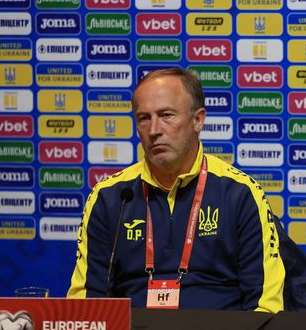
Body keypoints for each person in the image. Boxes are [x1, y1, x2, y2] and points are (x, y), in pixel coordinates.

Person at [68, 68, 289, 311]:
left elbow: (265, 306)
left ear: (198, 119)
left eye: (166, 115)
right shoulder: (110, 197)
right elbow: (86, 304)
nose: (154, 130)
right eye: (144, 118)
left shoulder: (240, 193)